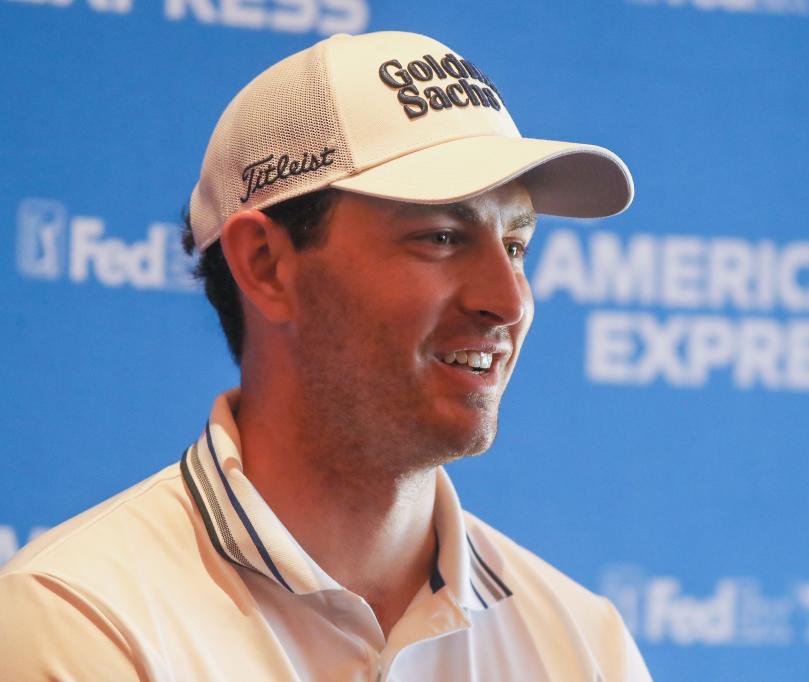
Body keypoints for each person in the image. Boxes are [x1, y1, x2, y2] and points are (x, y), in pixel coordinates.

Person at [0, 31, 651, 681]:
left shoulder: (583, 646)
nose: (508, 302)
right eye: (442, 236)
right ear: (266, 265)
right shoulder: (77, 618)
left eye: (515, 246)